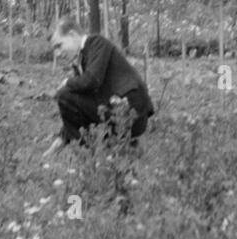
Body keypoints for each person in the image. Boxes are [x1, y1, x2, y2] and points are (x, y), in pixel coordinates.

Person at [44, 15, 155, 156]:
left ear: (72, 35)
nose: (58, 54)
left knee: (65, 95)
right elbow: (77, 105)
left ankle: (87, 153)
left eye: (59, 45)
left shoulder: (97, 42)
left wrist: (67, 82)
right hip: (116, 111)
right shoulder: (82, 58)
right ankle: (124, 148)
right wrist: (60, 139)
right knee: (69, 97)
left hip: (132, 112)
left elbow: (92, 80)